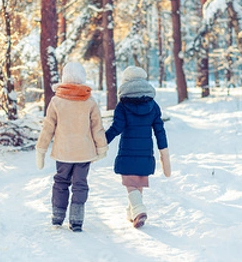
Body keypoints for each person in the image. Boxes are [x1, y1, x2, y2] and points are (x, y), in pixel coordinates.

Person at [36, 62, 108, 232]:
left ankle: (57, 218)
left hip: (63, 152)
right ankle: (76, 220)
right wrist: (102, 147)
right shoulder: (90, 102)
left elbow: (48, 128)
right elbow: (97, 127)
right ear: (82, 78)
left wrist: (41, 149)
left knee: (60, 182)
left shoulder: (56, 101)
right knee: (80, 185)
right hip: (84, 153)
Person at [105, 66, 171, 228]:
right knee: (138, 182)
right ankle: (132, 213)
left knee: (130, 183)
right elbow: (160, 131)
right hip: (145, 152)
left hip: (127, 151)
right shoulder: (153, 105)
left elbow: (116, 128)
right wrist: (164, 153)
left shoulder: (123, 105)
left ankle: (139, 210)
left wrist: (101, 141)